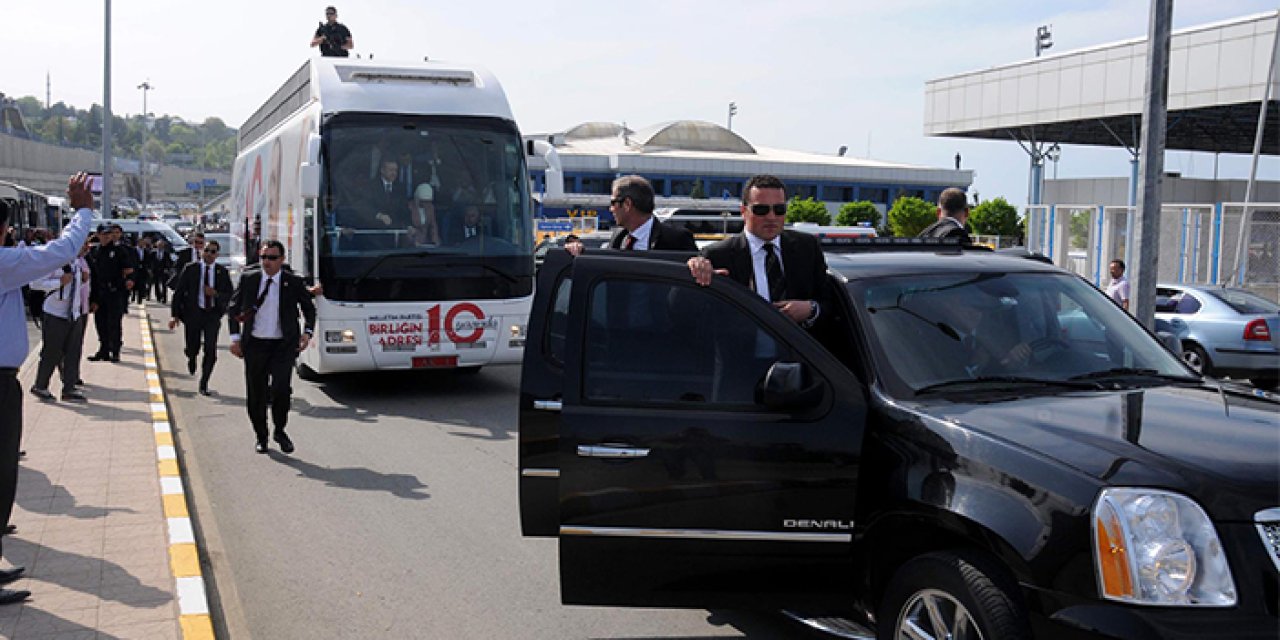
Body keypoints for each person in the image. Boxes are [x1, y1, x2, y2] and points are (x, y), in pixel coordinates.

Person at [0, 173, 96, 605]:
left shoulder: (7, 266)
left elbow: (41, 272)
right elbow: (59, 251)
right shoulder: (3, 262)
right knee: (1, 473)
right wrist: (82, 211)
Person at [687, 175, 830, 331]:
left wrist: (810, 309)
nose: (771, 217)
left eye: (779, 209)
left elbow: (831, 305)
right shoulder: (718, 255)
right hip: (741, 352)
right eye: (761, 210)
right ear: (743, 211)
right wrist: (693, 271)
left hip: (799, 352)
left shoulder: (806, 247)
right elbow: (687, 311)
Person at [228, 241, 316, 455]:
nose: (267, 262)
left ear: (282, 260)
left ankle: (279, 429)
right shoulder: (250, 279)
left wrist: (307, 333)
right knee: (256, 393)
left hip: (283, 346)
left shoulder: (293, 282)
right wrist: (235, 339)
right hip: (255, 344)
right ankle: (261, 435)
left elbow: (309, 310)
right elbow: (233, 308)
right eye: (264, 257)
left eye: (272, 258)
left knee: (281, 390)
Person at [28, 235, 93, 402]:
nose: (84, 248)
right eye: (80, 245)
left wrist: (84, 281)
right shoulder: (53, 262)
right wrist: (58, 283)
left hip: (73, 314)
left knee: (73, 352)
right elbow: (34, 283)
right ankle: (40, 386)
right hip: (55, 313)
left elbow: (76, 288)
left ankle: (69, 388)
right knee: (51, 352)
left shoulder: (77, 263)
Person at [170, 240, 234, 396]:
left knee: (210, 350)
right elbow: (179, 292)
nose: (209, 254)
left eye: (213, 252)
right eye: (207, 250)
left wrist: (216, 294)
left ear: (217, 254)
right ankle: (191, 356)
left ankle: (204, 382)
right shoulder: (191, 269)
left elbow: (230, 294)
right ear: (201, 252)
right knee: (193, 345)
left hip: (211, 314)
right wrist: (175, 315)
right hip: (193, 314)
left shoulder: (221, 272)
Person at [605, 175, 696, 251]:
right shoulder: (618, 237)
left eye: (613, 203)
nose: (611, 209)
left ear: (627, 204)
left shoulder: (677, 239)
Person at [87, 224, 135, 362]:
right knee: (100, 323)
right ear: (98, 235)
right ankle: (103, 350)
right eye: (104, 234)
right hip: (98, 292)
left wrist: (129, 281)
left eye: (109, 234)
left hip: (115, 291)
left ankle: (115, 351)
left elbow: (129, 269)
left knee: (114, 323)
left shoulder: (119, 251)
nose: (107, 236)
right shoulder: (94, 251)